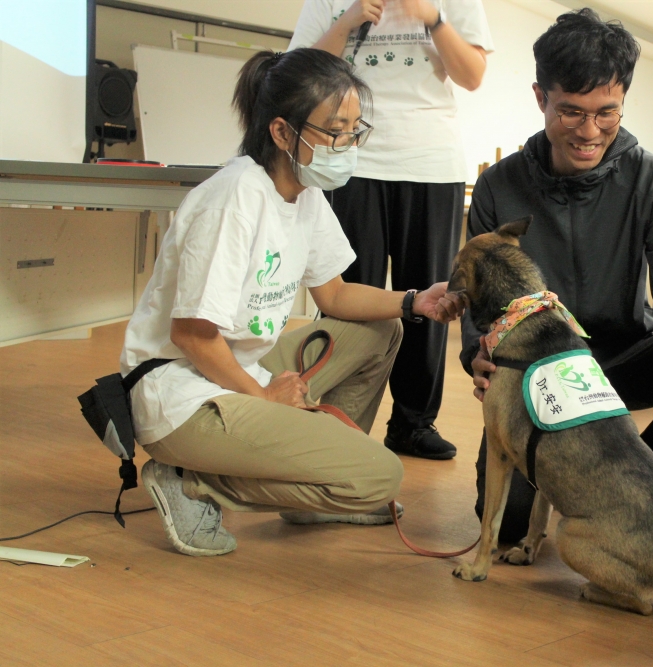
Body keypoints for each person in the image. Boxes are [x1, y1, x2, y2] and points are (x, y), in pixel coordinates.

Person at [121, 48, 463, 557]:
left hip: (239, 369)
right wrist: (261, 400)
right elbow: (191, 334)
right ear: (282, 133)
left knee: (385, 329)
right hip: (180, 393)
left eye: (354, 130)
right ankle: (191, 481)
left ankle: (313, 489)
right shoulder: (234, 197)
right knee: (379, 478)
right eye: (334, 131)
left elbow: (336, 294)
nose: (347, 144)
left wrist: (415, 302)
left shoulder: (304, 193)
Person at [462, 9, 653, 543]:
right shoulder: (498, 187)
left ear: (624, 99)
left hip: (625, 359)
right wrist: (477, 352)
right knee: (509, 529)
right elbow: (478, 307)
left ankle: (642, 478)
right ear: (540, 97)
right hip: (542, 376)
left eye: (606, 113)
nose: (589, 132)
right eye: (571, 112)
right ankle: (578, 488)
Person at [289, 0, 494, 461]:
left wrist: (433, 18)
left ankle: (413, 424)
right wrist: (348, 18)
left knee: (429, 296)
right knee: (347, 296)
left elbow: (472, 75)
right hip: (351, 158)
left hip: (430, 160)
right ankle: (330, 414)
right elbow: (300, 73)